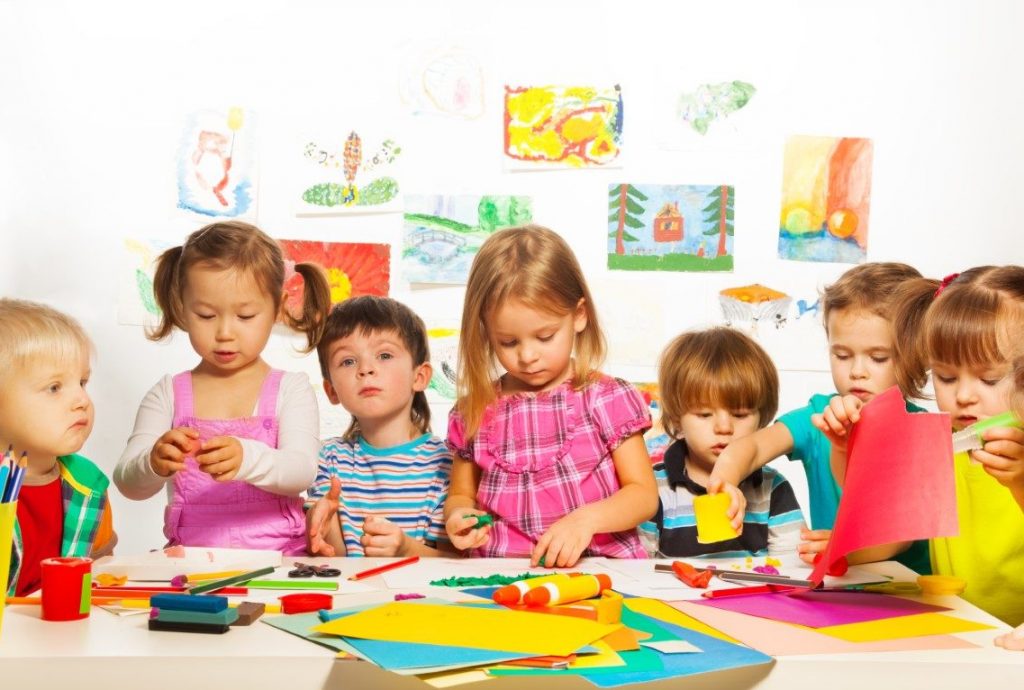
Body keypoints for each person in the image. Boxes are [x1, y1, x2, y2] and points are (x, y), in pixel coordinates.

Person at [819, 266, 1024, 627]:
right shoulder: (940, 449)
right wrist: (844, 449)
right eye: (945, 376)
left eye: (989, 378)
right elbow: (871, 551)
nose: (962, 396)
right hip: (963, 632)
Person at [443, 225, 658, 568]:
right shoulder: (474, 411)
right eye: (508, 342)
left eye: (545, 336)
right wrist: (458, 517)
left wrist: (586, 521)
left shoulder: (605, 398)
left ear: (579, 316)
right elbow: (460, 494)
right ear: (485, 332)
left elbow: (644, 495)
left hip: (600, 568)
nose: (527, 356)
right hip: (502, 570)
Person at [115, 221, 331, 555]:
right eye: (205, 315)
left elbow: (301, 471)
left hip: (281, 561)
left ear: (278, 307)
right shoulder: (168, 395)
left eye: (245, 316)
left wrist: (248, 458)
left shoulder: (291, 389)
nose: (225, 333)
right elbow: (128, 483)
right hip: (191, 563)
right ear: (182, 307)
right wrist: (152, 463)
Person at [708, 262, 932, 572]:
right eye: (841, 355)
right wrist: (726, 481)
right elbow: (752, 448)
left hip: (908, 593)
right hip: (837, 585)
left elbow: (900, 538)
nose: (856, 371)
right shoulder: (817, 417)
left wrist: (844, 550)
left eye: (878, 357)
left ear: (919, 355)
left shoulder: (926, 434)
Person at [306, 296, 452, 557]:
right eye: (348, 361)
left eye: (384, 355)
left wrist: (405, 548)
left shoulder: (445, 463)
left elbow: (455, 564)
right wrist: (321, 527)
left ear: (419, 377)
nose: (365, 369)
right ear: (331, 390)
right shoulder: (327, 459)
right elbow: (334, 560)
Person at [649, 327, 805, 558]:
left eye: (740, 415)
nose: (724, 427)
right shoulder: (654, 489)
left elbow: (793, 568)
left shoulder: (773, 488)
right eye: (704, 414)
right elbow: (635, 569)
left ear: (761, 419)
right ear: (676, 419)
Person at [0, 299, 116, 596]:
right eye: (54, 387)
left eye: (82, 382)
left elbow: (100, 579)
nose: (81, 400)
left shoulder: (89, 486)